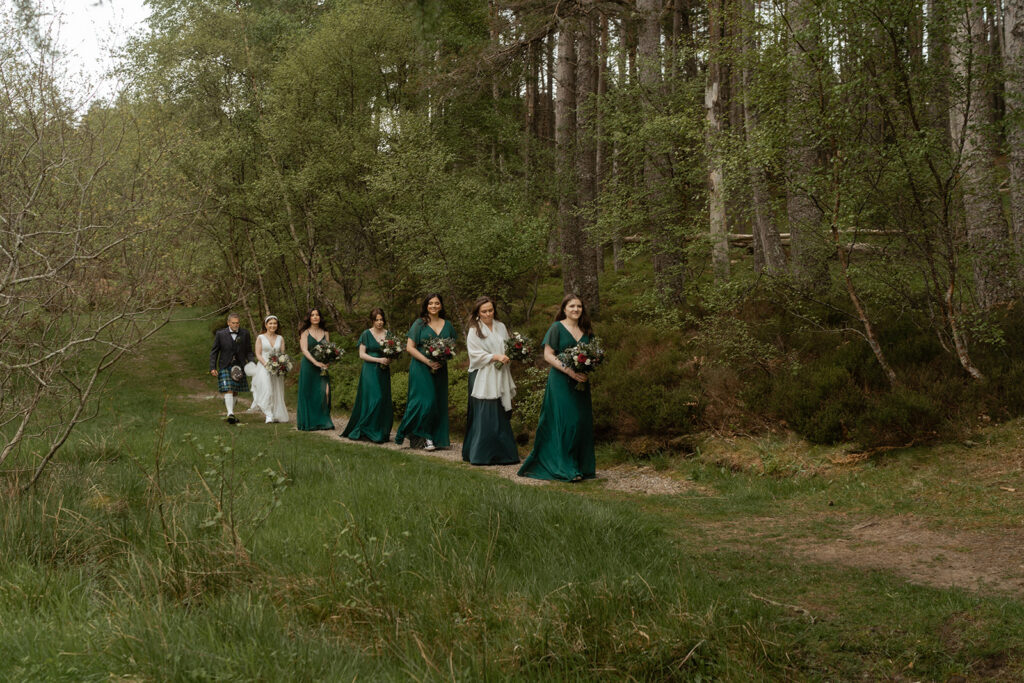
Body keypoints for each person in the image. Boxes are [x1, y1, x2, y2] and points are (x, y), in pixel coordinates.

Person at [518, 294, 596, 482]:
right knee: (567, 421)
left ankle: (581, 466)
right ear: (564, 309)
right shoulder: (556, 328)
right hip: (561, 381)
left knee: (581, 422)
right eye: (572, 306)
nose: (576, 309)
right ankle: (565, 467)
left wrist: (587, 368)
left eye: (579, 306)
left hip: (581, 382)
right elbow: (548, 355)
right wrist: (569, 371)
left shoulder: (586, 329)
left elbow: (592, 354)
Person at [462, 297, 519, 466]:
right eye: (484, 311)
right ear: (478, 313)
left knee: (500, 412)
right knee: (485, 414)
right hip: (481, 375)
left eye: (490, 310)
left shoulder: (501, 326)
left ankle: (504, 454)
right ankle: (481, 454)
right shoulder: (474, 330)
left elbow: (508, 345)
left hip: (500, 374)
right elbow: (474, 354)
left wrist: (515, 351)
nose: (488, 314)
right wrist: (495, 357)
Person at [395, 293, 454, 450]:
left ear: (441, 305)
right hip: (421, 367)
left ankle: (436, 437)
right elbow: (409, 347)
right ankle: (424, 436)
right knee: (426, 402)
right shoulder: (419, 324)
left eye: (437, 303)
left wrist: (442, 359)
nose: (433, 306)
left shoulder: (447, 325)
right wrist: (428, 361)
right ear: (426, 306)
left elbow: (451, 348)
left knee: (438, 402)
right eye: (430, 303)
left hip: (440, 369)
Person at [342, 308, 394, 443]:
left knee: (383, 399)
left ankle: (379, 430)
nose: (379, 322)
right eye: (376, 320)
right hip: (370, 370)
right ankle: (366, 429)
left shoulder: (389, 334)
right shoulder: (366, 334)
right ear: (372, 321)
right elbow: (362, 354)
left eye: (381, 319)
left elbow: (392, 352)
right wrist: (378, 360)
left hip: (383, 371)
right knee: (375, 398)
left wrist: (389, 359)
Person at [209, 312, 256, 424]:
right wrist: (212, 367)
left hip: (240, 365)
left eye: (237, 323)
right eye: (233, 323)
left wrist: (252, 363)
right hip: (225, 365)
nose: (236, 325)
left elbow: (249, 351)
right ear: (228, 323)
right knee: (228, 388)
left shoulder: (245, 333)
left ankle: (231, 413)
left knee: (235, 391)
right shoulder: (220, 334)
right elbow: (214, 352)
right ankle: (230, 413)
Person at [296, 308, 335, 431]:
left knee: (325, 392)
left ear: (320, 317)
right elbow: (304, 350)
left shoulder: (325, 332)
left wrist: (328, 360)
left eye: (317, 315)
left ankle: (323, 420)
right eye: (312, 315)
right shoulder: (305, 332)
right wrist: (315, 362)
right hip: (309, 366)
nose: (315, 317)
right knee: (309, 393)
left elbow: (328, 348)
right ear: (309, 318)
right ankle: (310, 421)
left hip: (322, 366)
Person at [248, 315, 289, 424]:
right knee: (267, 390)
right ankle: (268, 414)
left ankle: (276, 413)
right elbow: (258, 354)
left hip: (277, 369)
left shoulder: (280, 338)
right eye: (270, 323)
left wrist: (281, 364)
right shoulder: (260, 337)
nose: (272, 325)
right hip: (263, 367)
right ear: (266, 325)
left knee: (276, 390)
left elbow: (282, 354)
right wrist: (267, 365)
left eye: (275, 323)